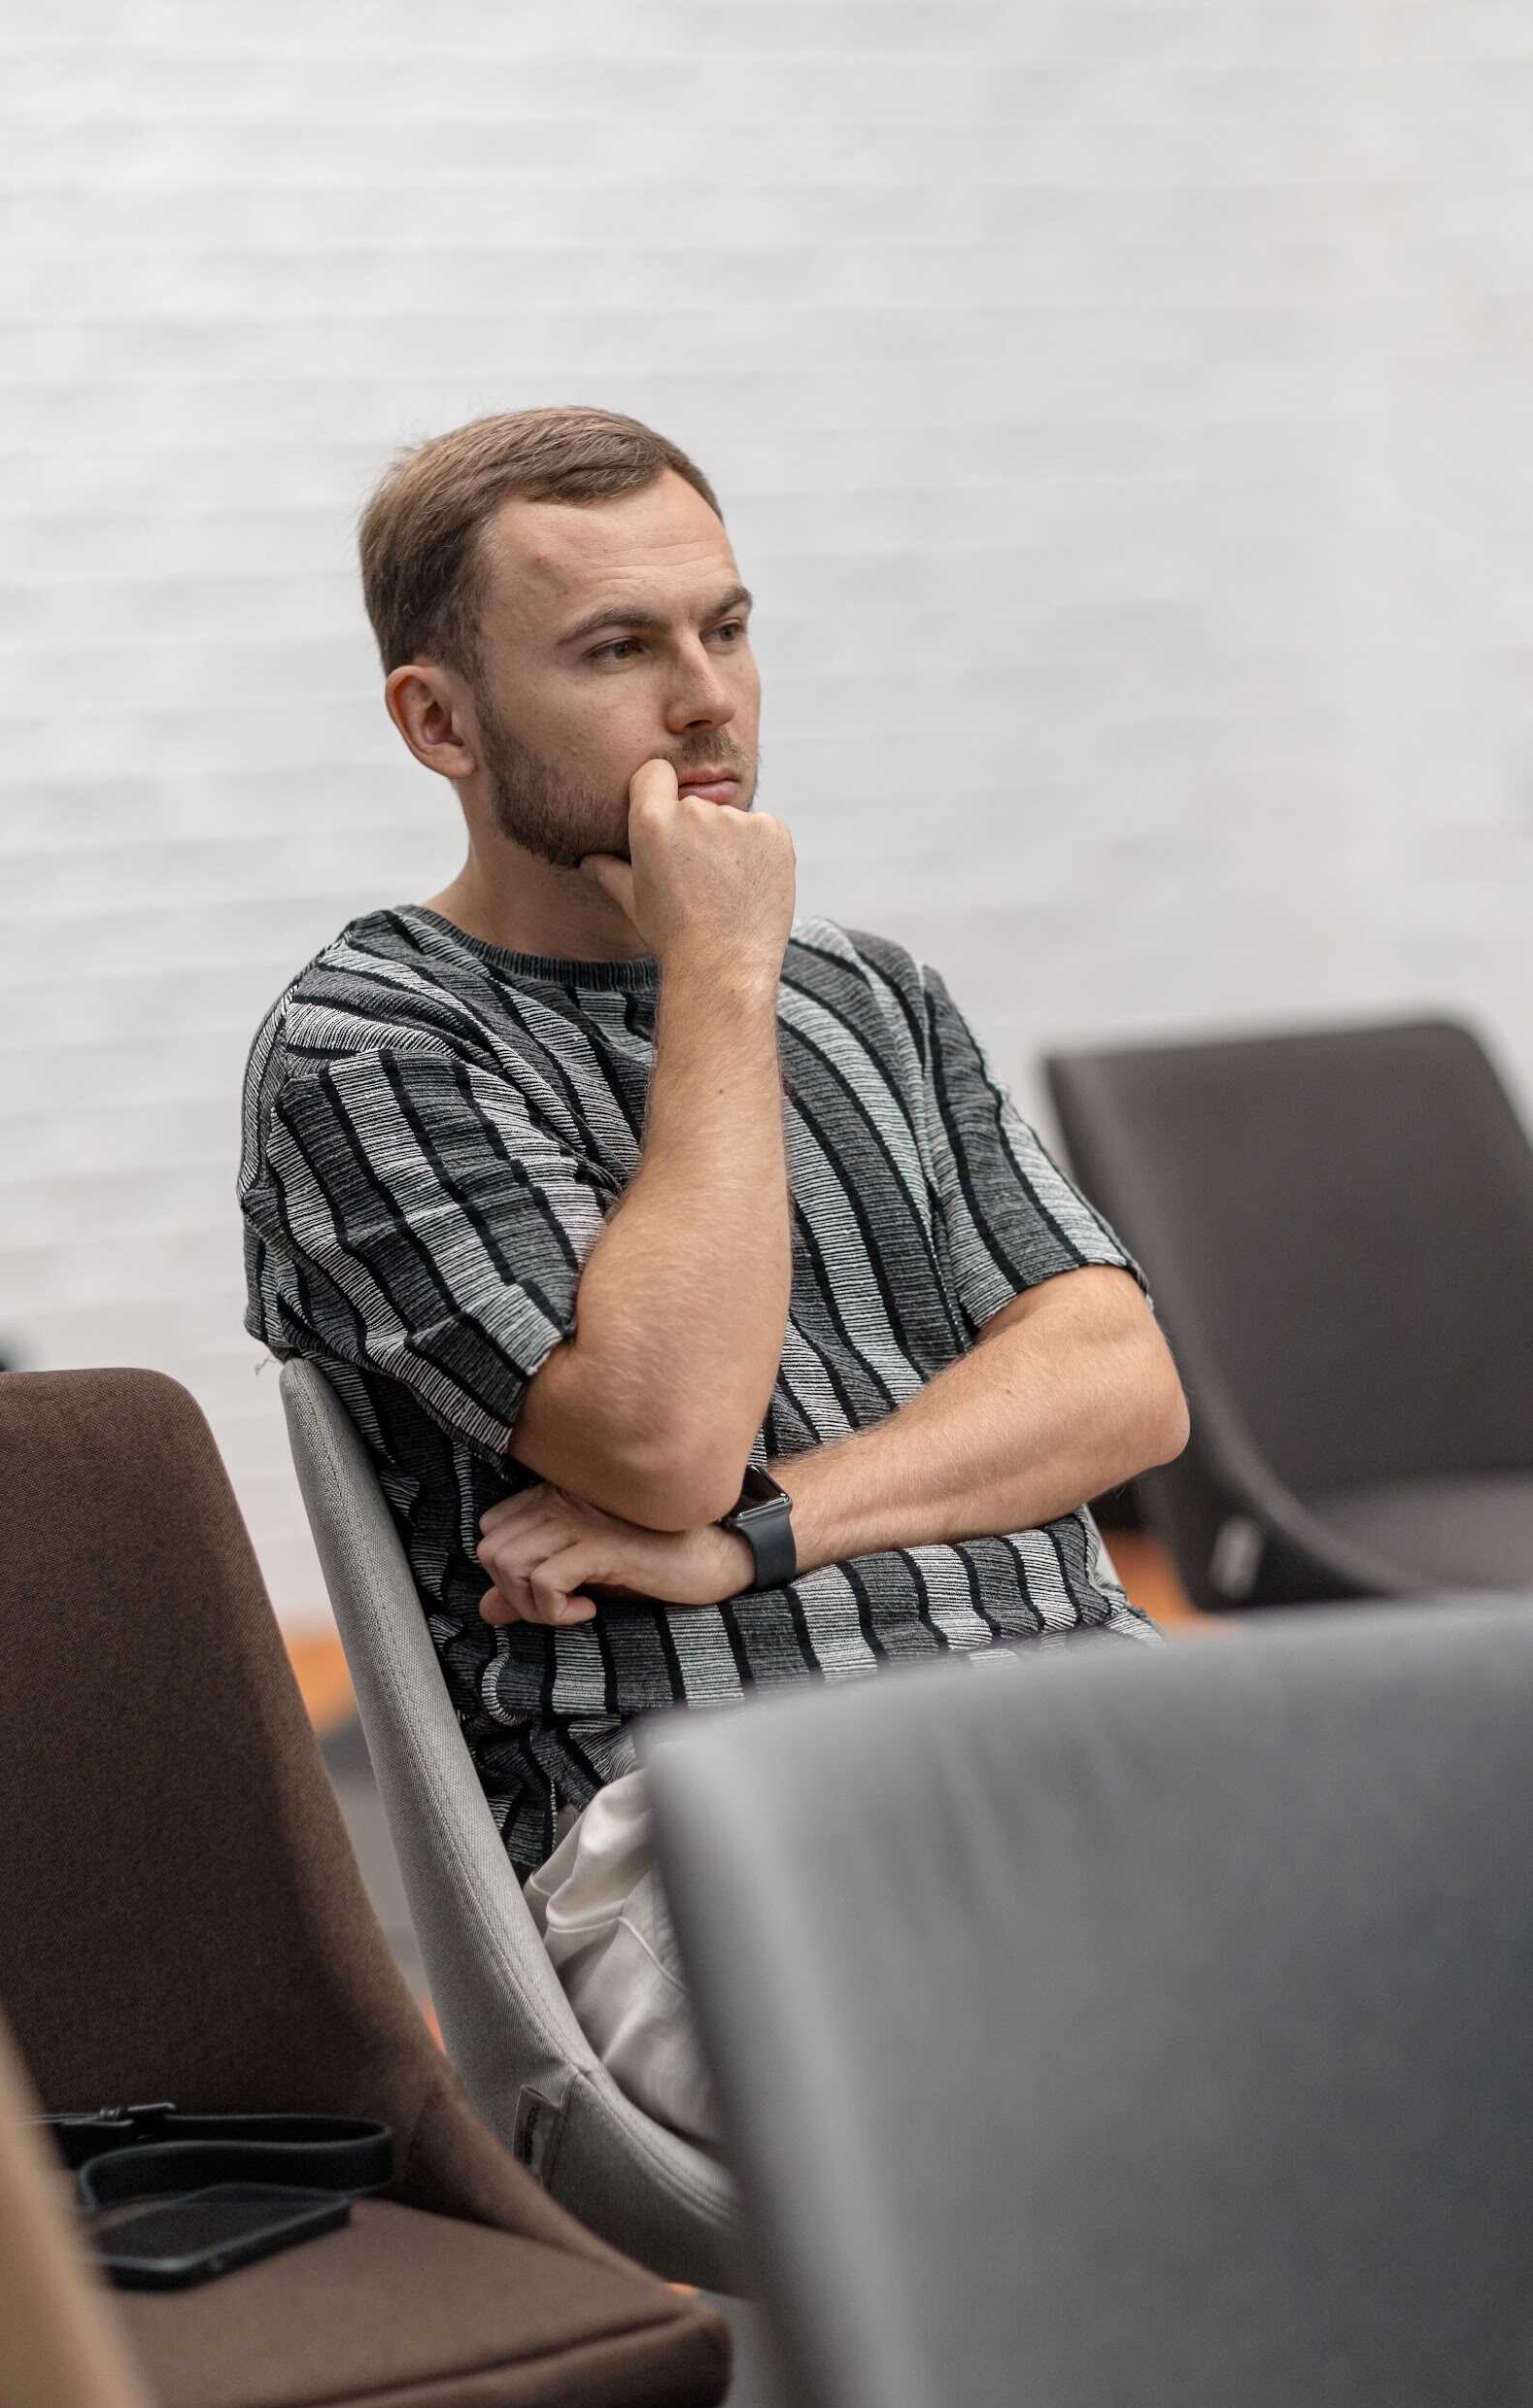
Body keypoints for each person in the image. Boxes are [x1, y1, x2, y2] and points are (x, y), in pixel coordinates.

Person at [239, 406, 1188, 2141]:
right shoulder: (372, 1046)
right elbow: (667, 1442)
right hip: (707, 1800)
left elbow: (1123, 1386)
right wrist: (723, 978)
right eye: (619, 649)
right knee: (1157, 2109)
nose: (708, 703)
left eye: (727, 629)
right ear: (439, 722)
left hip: (1090, 1712)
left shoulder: (872, 997)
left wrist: (759, 1534)